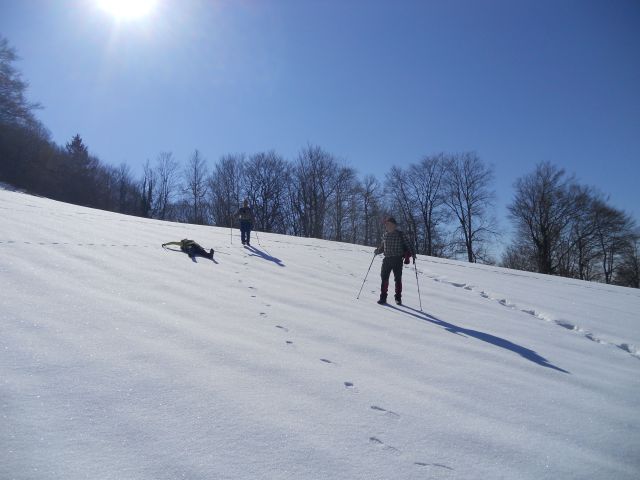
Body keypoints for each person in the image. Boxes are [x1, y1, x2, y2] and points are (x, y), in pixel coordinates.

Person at [373, 216, 415, 305]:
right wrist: (377, 251)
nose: (386, 226)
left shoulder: (400, 234)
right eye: (386, 224)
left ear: (393, 225)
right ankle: (383, 298)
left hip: (397, 260)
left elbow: (409, 245)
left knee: (398, 279)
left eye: (388, 224)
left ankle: (398, 298)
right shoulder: (385, 235)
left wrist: (413, 255)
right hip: (387, 260)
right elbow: (383, 247)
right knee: (384, 278)